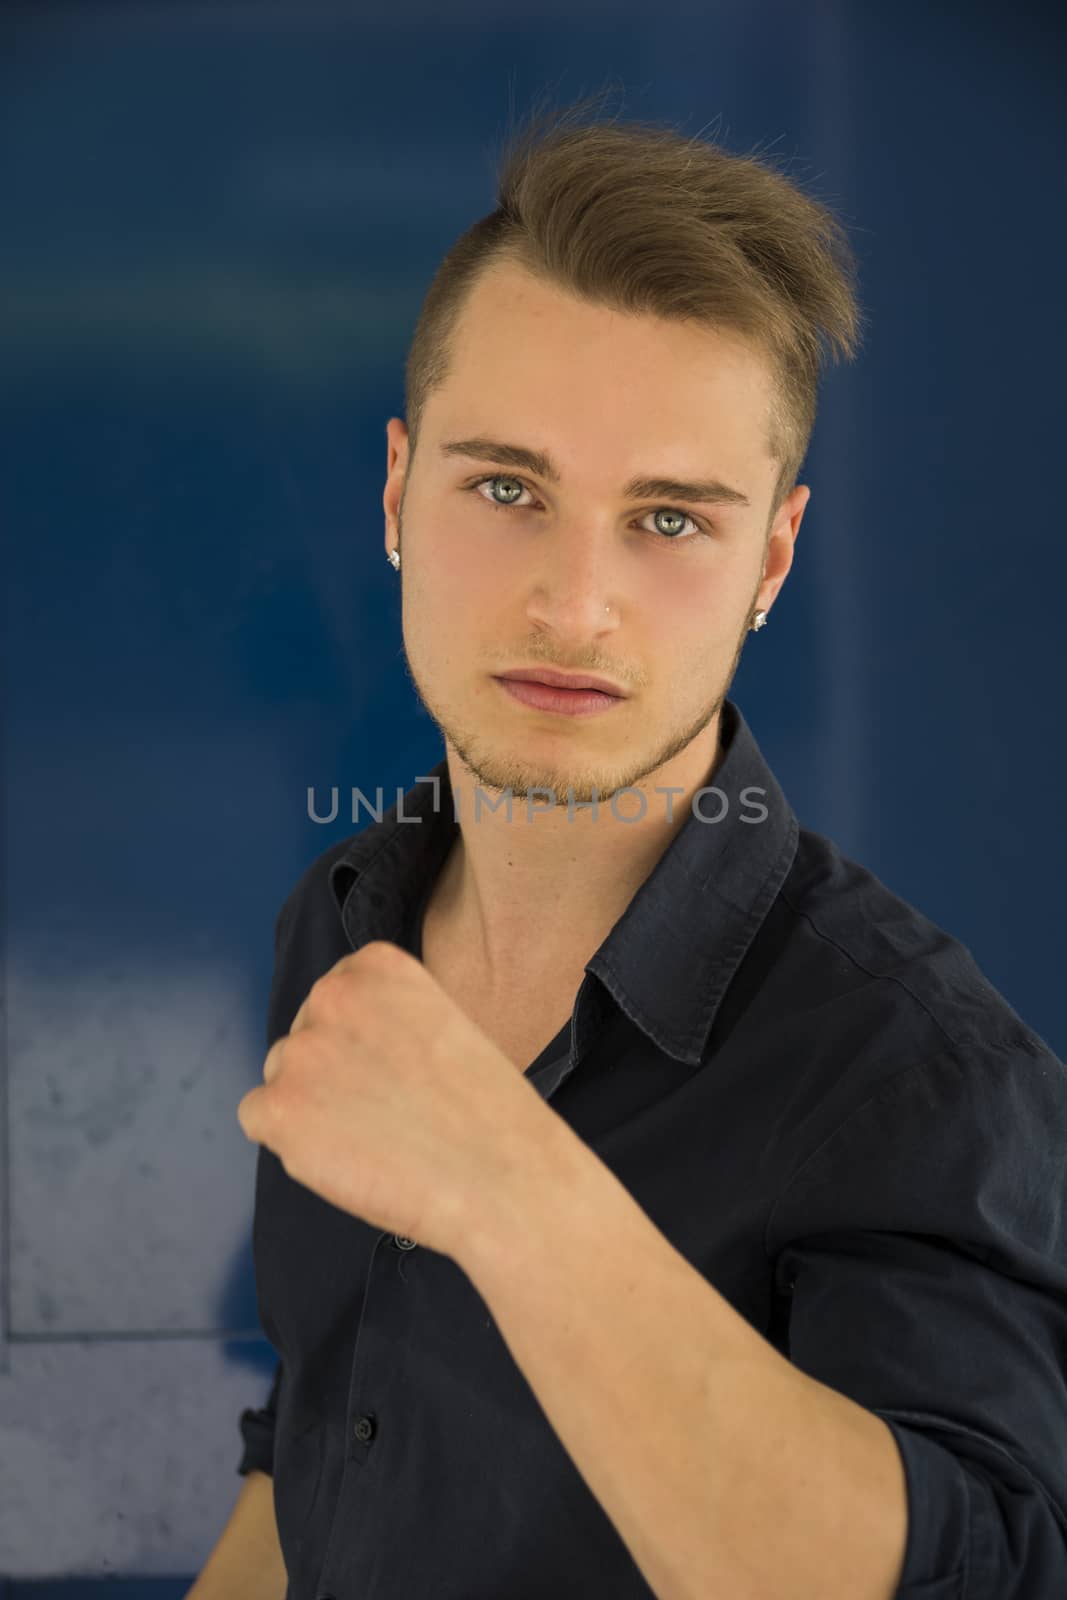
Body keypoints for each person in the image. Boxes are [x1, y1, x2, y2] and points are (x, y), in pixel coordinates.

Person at [189, 92, 1067, 1600]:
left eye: (668, 521)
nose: (573, 602)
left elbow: (976, 1575)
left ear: (771, 561)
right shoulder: (340, 927)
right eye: (509, 489)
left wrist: (508, 1185)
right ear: (400, 493)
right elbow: (329, 1447)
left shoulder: (916, 1069)